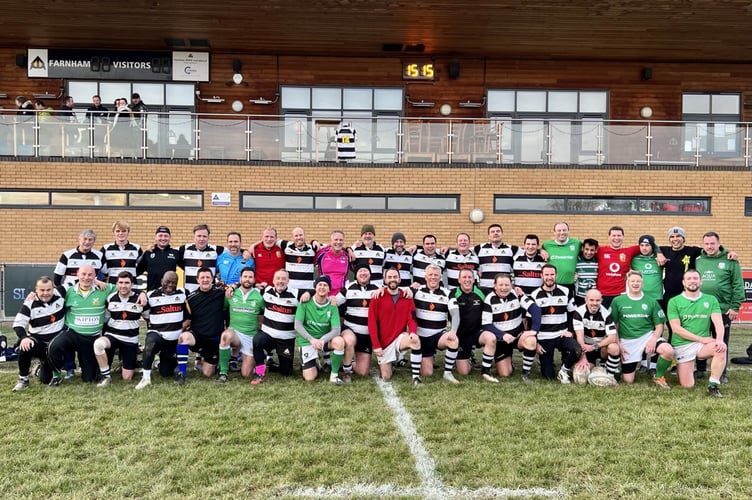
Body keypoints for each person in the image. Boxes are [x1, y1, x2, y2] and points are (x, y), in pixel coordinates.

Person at [46, 264, 118, 385]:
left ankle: (89, 369)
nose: (86, 277)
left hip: (91, 338)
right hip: (72, 333)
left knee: (89, 379)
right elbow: (47, 293)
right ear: (77, 275)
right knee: (54, 346)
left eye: (90, 275)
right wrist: (34, 296)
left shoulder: (104, 288)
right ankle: (56, 375)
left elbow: (124, 288)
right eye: (83, 274)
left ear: (95, 276)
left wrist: (141, 293)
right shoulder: (69, 290)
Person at [667, 270, 727, 398]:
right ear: (684, 283)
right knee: (687, 385)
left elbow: (718, 323)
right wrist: (700, 338)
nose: (692, 281)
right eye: (689, 279)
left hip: (702, 345)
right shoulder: (674, 301)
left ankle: (713, 385)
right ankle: (685, 367)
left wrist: (720, 339)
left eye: (695, 278)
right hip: (682, 344)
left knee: (720, 348)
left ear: (701, 281)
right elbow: (676, 329)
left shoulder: (711, 300)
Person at [694, 231, 744, 383]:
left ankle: (721, 373)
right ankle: (701, 369)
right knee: (701, 339)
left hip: (722, 309)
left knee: (721, 341)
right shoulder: (697, 259)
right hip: (701, 308)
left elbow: (737, 284)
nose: (709, 247)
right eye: (707, 244)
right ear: (703, 244)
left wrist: (735, 306)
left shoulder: (730, 260)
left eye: (712, 243)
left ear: (718, 243)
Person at [609, 270, 673, 387]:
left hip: (647, 336)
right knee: (628, 380)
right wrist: (619, 344)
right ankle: (616, 371)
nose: (635, 283)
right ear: (627, 283)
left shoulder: (651, 301)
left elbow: (659, 326)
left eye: (638, 281)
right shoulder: (617, 301)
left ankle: (659, 376)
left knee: (668, 350)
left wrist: (653, 340)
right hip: (627, 340)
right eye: (632, 281)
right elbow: (614, 326)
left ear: (642, 284)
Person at [482, 273, 541, 381]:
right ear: (495, 286)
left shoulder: (517, 294)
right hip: (501, 340)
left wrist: (534, 330)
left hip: (517, 336)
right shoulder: (489, 299)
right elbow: (486, 325)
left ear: (511, 285)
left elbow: (536, 309)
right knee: (505, 373)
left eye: (507, 285)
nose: (504, 288)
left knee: (531, 339)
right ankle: (507, 362)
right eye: (501, 285)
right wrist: (502, 335)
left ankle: (525, 374)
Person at [368, 267, 422, 384]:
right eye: (390, 277)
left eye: (395, 277)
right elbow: (371, 323)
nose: (392, 279)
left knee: (415, 341)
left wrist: (412, 332)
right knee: (386, 377)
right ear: (385, 280)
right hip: (384, 343)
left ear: (400, 279)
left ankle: (416, 377)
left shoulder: (407, 296)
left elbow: (412, 319)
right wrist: (376, 345)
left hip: (399, 338)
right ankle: (391, 362)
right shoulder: (377, 297)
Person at [250, 269, 305, 384]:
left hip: (286, 339)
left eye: (284, 279)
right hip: (268, 335)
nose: (281, 281)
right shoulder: (266, 291)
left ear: (288, 281)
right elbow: (247, 285)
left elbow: (315, 292)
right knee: (257, 340)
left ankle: (270, 364)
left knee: (286, 373)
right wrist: (231, 287)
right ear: (273, 281)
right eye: (278, 279)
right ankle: (260, 372)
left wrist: (308, 293)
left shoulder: (296, 294)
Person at [11, 276, 66, 391]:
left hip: (56, 346)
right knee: (24, 346)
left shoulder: (60, 292)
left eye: (48, 290)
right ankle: (23, 379)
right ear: (36, 289)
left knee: (45, 380)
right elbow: (18, 324)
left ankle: (38, 369)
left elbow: (79, 281)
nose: (45, 293)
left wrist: (96, 281)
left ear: (53, 288)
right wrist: (24, 338)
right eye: (42, 290)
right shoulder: (30, 303)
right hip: (39, 344)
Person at [528, 264, 581, 383]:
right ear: (541, 276)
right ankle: (545, 363)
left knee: (577, 349)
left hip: (561, 334)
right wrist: (535, 341)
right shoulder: (534, 294)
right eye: (546, 274)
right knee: (548, 377)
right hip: (544, 337)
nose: (549, 277)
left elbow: (574, 314)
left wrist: (570, 331)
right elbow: (530, 321)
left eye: (552, 274)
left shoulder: (566, 291)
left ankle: (564, 370)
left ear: (556, 275)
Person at [135, 271, 188, 389]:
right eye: (167, 282)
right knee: (151, 341)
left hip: (174, 341)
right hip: (158, 334)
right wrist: (141, 293)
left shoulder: (183, 294)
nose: (170, 285)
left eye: (173, 283)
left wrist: (187, 321)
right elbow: (142, 310)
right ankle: (146, 377)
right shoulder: (151, 295)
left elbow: (189, 313)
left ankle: (160, 363)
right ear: (161, 281)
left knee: (166, 373)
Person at [176, 267, 228, 385]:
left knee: (208, 374)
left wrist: (229, 287)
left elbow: (233, 287)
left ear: (212, 279)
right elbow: (187, 320)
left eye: (208, 277)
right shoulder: (191, 298)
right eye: (202, 277)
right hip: (197, 337)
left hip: (214, 340)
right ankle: (181, 373)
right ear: (197, 280)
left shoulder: (220, 294)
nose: (205, 280)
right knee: (184, 337)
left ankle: (215, 362)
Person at [94, 271, 144, 386]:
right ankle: (106, 376)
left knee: (127, 378)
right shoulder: (110, 298)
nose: (123, 285)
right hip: (113, 336)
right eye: (120, 282)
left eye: (127, 283)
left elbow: (148, 318)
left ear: (132, 285)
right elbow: (106, 319)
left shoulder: (140, 300)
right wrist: (103, 335)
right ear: (116, 284)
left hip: (130, 340)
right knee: (98, 344)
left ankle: (125, 364)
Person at [413, 264, 461, 384]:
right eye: (430, 275)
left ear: (440, 277)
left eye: (436, 275)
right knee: (427, 373)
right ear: (425, 277)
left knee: (453, 340)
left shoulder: (448, 293)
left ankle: (448, 373)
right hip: (422, 338)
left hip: (438, 335)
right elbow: (396, 291)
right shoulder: (416, 291)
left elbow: (455, 314)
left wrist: (453, 331)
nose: (433, 277)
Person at [295, 276, 347, 384]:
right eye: (320, 285)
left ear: (329, 289)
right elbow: (298, 325)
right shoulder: (305, 302)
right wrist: (311, 339)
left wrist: (322, 340)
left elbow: (336, 330)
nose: (322, 287)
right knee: (310, 377)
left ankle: (334, 375)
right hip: (308, 341)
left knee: (339, 341)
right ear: (315, 287)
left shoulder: (332, 305)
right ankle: (316, 362)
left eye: (325, 285)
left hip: (324, 341)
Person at [216, 267, 264, 382]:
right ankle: (223, 372)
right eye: (245, 276)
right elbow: (223, 309)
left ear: (254, 279)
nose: (247, 279)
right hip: (235, 333)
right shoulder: (231, 294)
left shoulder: (260, 296)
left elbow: (262, 317)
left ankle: (261, 369)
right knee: (226, 335)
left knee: (246, 374)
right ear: (240, 278)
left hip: (251, 336)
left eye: (250, 277)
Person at [596, 226, 664, 308]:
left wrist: (659, 252)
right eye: (614, 235)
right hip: (602, 293)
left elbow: (649, 243)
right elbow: (586, 249)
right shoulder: (600, 250)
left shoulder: (629, 251)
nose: (616, 238)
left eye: (619, 235)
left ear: (623, 237)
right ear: (609, 237)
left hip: (621, 294)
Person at [452, 269, 496, 381]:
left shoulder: (483, 292)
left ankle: (485, 371)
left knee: (491, 338)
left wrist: (517, 291)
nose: (467, 280)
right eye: (464, 277)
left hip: (478, 333)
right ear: (459, 280)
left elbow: (500, 291)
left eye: (469, 277)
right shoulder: (453, 293)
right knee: (464, 372)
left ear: (474, 279)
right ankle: (467, 358)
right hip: (461, 335)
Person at [336, 262, 378, 378]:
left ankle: (349, 361)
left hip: (366, 335)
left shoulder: (377, 289)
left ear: (370, 274)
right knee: (349, 340)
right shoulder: (348, 287)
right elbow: (334, 302)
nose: (363, 273)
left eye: (366, 271)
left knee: (362, 372)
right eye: (360, 271)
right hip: (350, 329)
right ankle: (347, 370)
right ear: (355, 274)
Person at [572, 288, 620, 378]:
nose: (594, 303)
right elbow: (579, 336)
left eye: (597, 300)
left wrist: (595, 346)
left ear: (601, 300)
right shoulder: (579, 312)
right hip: (586, 347)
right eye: (591, 300)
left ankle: (610, 376)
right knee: (584, 371)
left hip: (601, 347)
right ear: (586, 300)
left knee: (614, 347)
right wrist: (583, 357)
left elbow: (612, 337)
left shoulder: (606, 314)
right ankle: (597, 366)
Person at [178, 223, 224, 293]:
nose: (201, 239)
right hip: (190, 293)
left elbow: (234, 249)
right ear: (193, 237)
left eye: (204, 236)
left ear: (208, 237)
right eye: (199, 236)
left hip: (209, 293)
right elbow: (169, 251)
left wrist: (246, 252)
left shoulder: (216, 250)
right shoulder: (184, 249)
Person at [474, 223, 518, 293]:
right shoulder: (478, 248)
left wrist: (542, 251)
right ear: (488, 236)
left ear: (502, 234)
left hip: (503, 289)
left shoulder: (513, 249)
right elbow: (463, 250)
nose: (495, 233)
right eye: (492, 232)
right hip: (485, 288)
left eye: (498, 231)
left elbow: (530, 251)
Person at [541, 221, 582, 293]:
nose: (562, 233)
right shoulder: (547, 244)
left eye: (564, 230)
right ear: (554, 232)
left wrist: (579, 272)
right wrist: (540, 250)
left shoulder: (576, 243)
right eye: (559, 230)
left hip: (569, 285)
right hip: (552, 285)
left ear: (568, 231)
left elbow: (588, 251)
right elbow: (534, 250)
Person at [137, 226, 180, 291]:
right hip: (152, 294)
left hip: (170, 294)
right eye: (160, 236)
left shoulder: (176, 253)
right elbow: (137, 272)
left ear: (170, 238)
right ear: (155, 237)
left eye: (166, 236)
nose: (163, 238)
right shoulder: (148, 253)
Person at [278, 226, 316, 291]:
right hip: (290, 290)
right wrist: (254, 245)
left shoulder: (312, 247)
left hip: (308, 290)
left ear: (304, 236)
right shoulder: (286, 246)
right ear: (292, 238)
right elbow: (269, 239)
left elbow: (329, 246)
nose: (299, 238)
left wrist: (314, 241)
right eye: (296, 236)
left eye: (301, 235)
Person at [316, 229, 351, 296]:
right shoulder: (321, 254)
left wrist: (349, 249)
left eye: (341, 240)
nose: (338, 242)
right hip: (324, 294)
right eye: (336, 239)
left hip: (341, 296)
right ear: (331, 241)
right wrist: (313, 241)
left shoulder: (348, 255)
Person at [573, 238, 599, 306]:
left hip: (594, 299)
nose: (589, 252)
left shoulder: (598, 262)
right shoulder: (576, 260)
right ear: (583, 248)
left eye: (592, 250)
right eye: (587, 249)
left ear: (596, 250)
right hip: (579, 297)